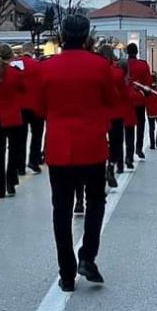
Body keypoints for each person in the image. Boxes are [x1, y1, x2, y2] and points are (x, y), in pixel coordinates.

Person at [35, 15, 116, 292]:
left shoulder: (46, 68)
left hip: (59, 147)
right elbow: (112, 102)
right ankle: (88, 257)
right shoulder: (100, 66)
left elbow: (37, 107)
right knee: (95, 202)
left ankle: (66, 273)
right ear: (87, 36)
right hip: (92, 145)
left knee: (61, 210)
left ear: (61, 35)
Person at [0, 43, 26, 197]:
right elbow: (23, 89)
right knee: (13, 151)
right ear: (11, 56)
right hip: (12, 116)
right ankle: (10, 181)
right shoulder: (16, 73)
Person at [101, 45, 128, 182]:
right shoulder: (118, 73)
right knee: (116, 142)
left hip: (99, 113)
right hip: (116, 113)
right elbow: (124, 93)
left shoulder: (96, 71)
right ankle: (111, 165)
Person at [18, 43, 45, 173]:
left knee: (20, 138)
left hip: (20, 106)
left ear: (23, 50)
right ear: (33, 51)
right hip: (36, 105)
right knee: (36, 135)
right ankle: (33, 161)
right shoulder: (38, 65)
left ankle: (20, 165)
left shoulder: (15, 64)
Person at [126, 43, 153, 159]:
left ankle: (129, 155)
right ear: (136, 52)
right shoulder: (143, 65)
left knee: (128, 128)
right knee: (140, 125)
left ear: (127, 52)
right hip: (140, 100)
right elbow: (148, 83)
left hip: (127, 101)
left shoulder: (123, 65)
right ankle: (139, 148)